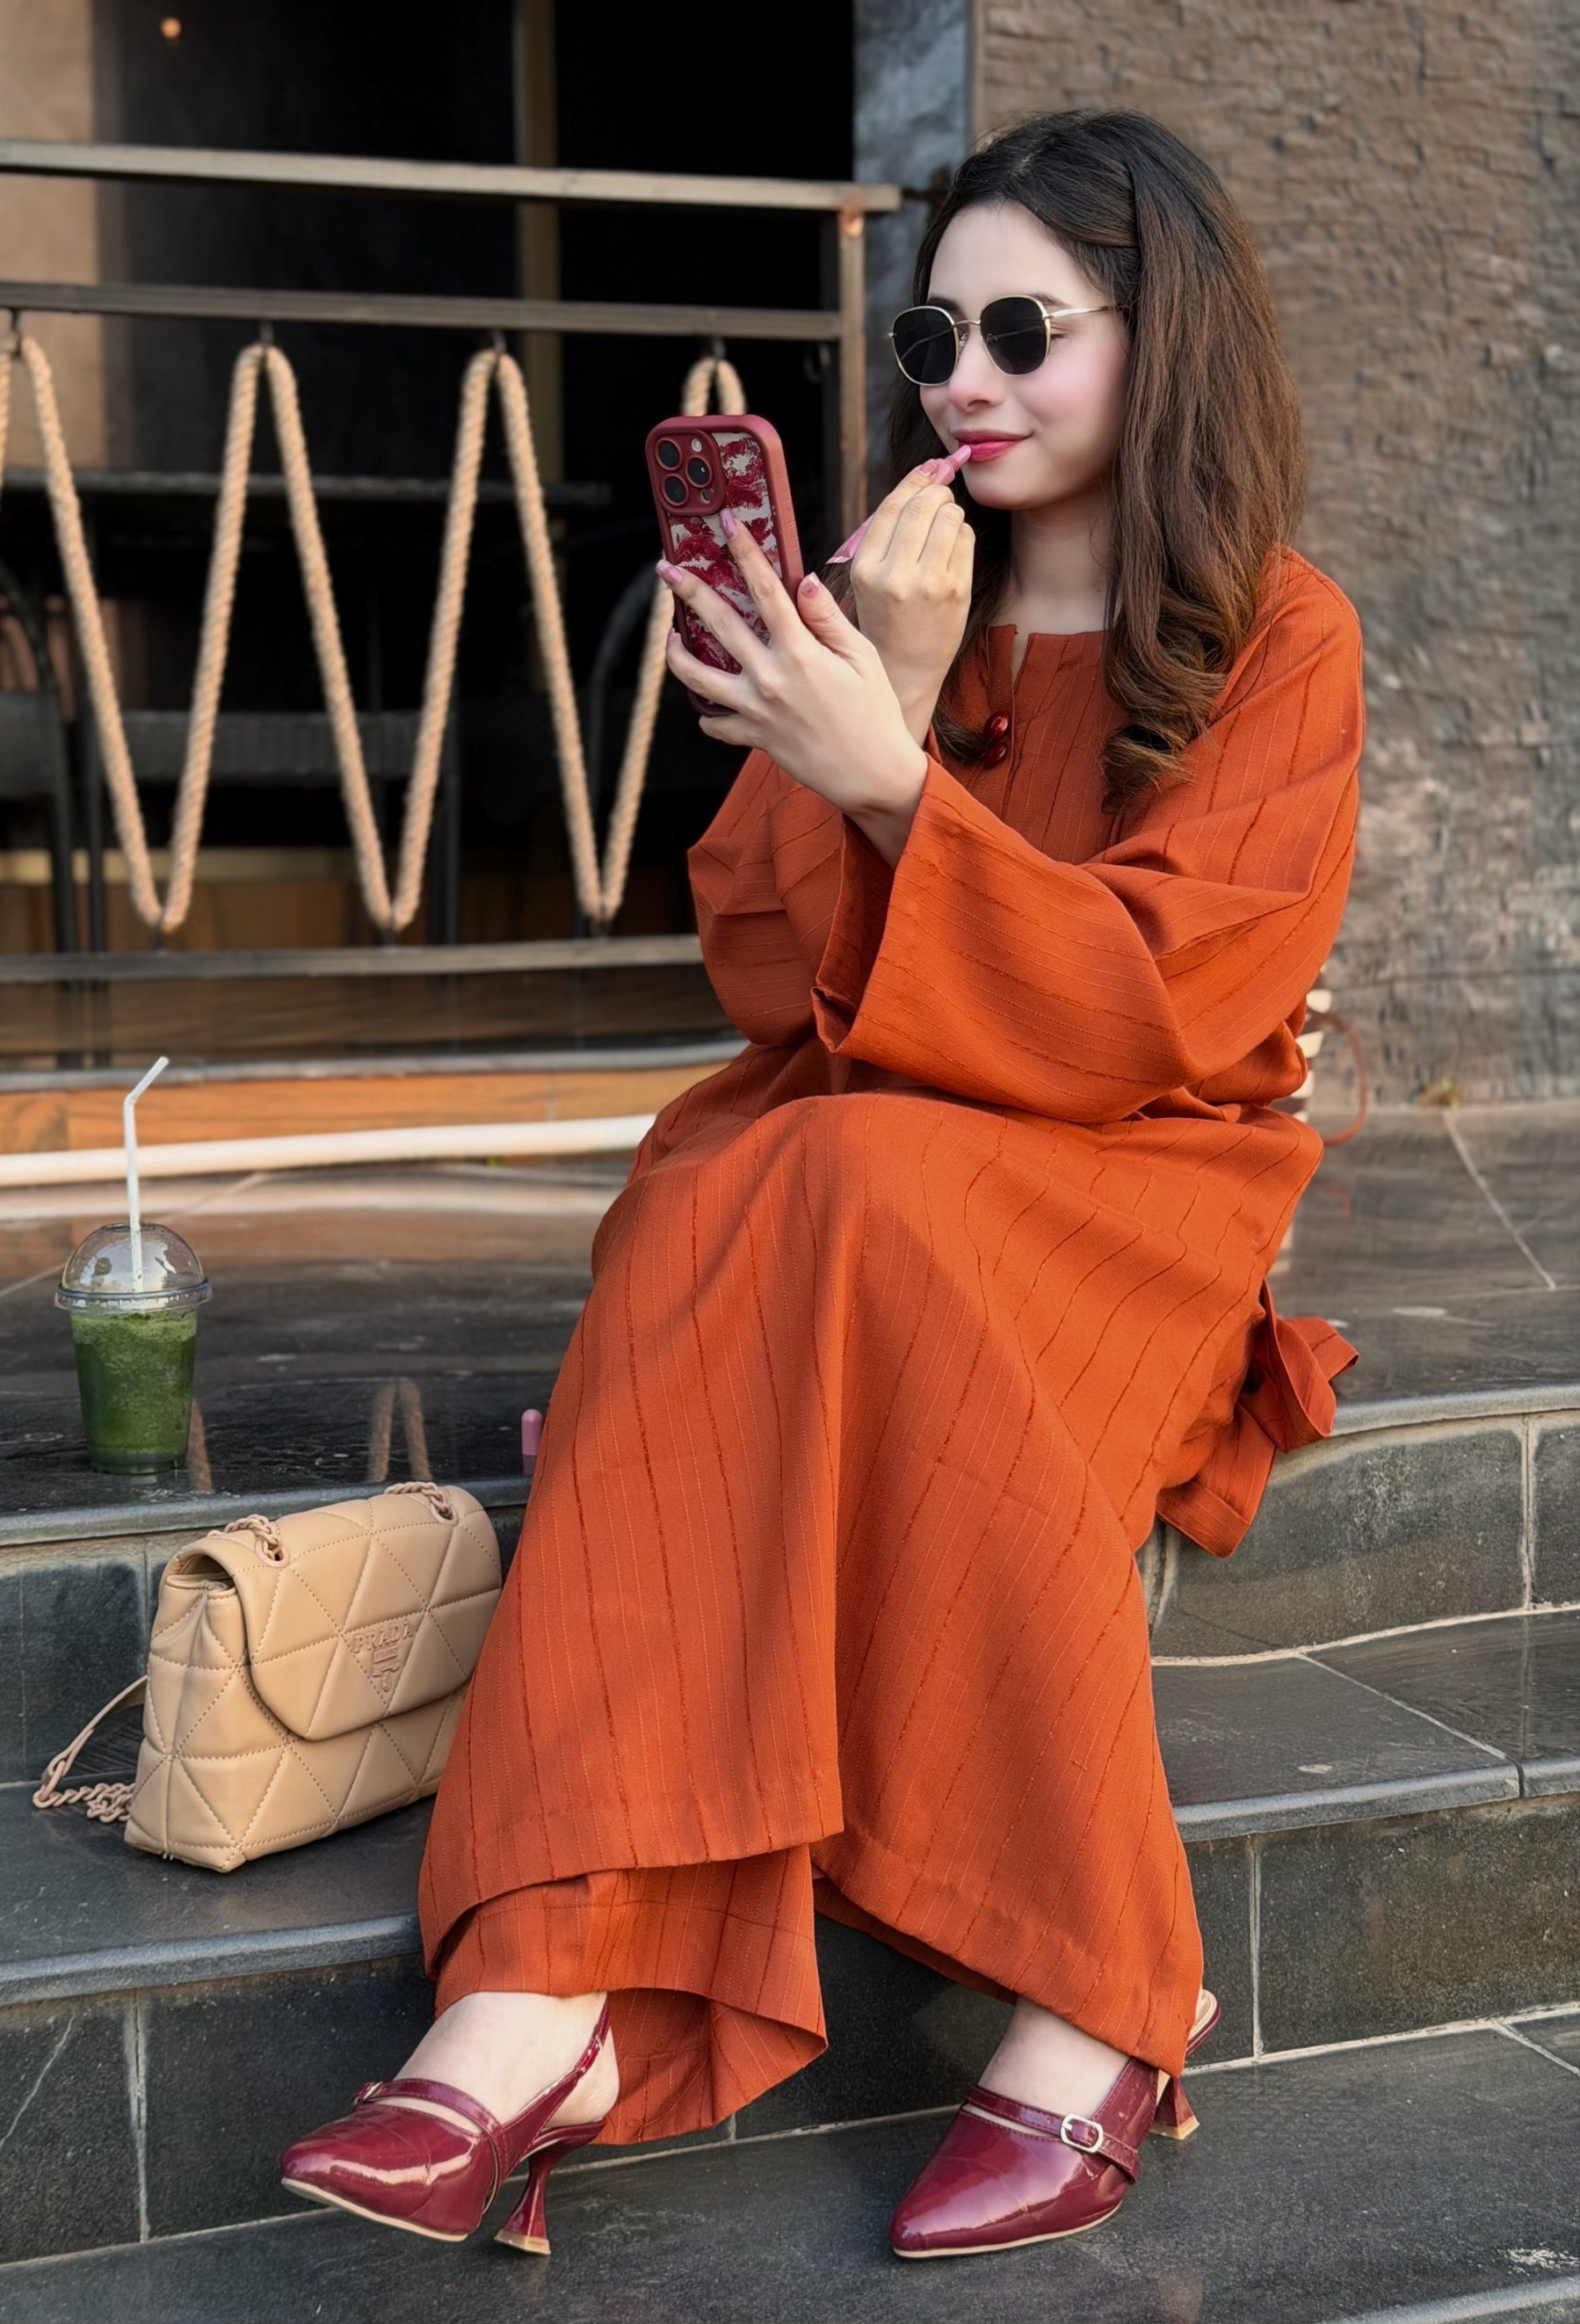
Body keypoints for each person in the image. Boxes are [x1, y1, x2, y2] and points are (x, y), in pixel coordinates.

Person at [281, 105, 1362, 2262]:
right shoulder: (902, 596)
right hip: (893, 1152)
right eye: (932, 334)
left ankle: (1100, 1986)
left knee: (831, 1183)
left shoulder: (1277, 632)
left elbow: (1166, 1000)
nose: (965, 378)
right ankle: (532, 1993)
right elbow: (773, 980)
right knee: (725, 1188)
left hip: (1137, 1179)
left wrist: (890, 778)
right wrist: (873, 692)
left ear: (1165, 341)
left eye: (1026, 329)